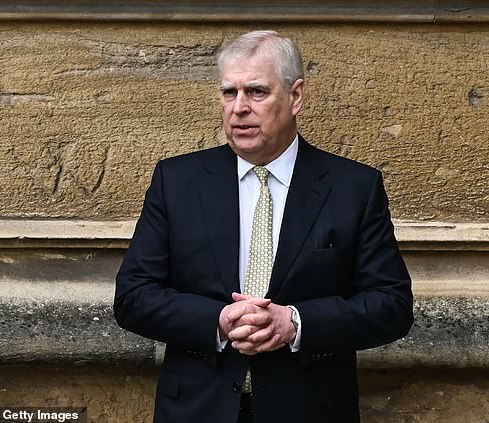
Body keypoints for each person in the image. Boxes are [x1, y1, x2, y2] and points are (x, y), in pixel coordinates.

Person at [114, 30, 413, 423]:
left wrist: (295, 324)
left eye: (256, 92)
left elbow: (391, 306)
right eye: (228, 93)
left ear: (296, 97)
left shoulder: (353, 188)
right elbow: (133, 297)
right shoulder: (178, 182)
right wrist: (217, 322)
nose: (239, 108)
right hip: (197, 409)